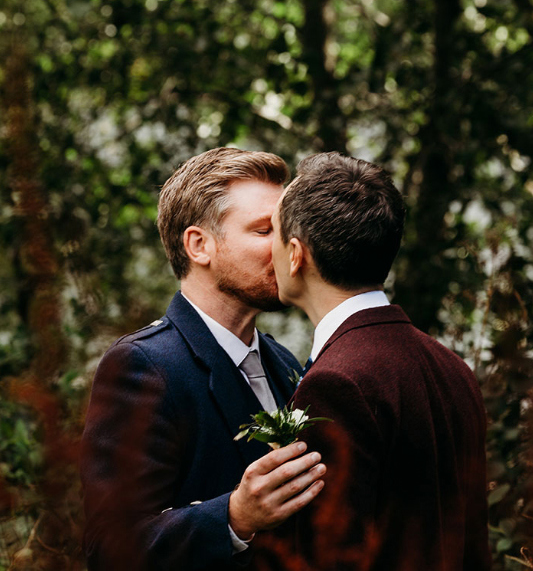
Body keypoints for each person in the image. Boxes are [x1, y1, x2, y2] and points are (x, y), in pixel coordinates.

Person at [80, 147, 326, 571]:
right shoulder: (142, 368)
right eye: (265, 230)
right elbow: (109, 549)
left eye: (288, 231)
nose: (289, 249)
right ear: (199, 245)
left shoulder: (285, 363)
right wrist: (233, 518)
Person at [264, 152, 491, 570]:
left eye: (271, 233)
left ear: (296, 254)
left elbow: (324, 556)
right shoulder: (453, 369)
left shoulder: (336, 383)